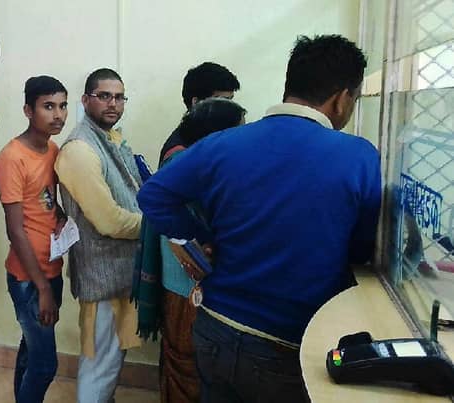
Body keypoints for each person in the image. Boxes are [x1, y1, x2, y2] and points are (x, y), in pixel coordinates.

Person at [138, 34, 381, 403]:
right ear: (342, 98)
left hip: (215, 327)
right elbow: (361, 251)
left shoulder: (222, 143)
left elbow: (153, 195)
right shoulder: (358, 156)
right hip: (288, 340)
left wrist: (200, 237)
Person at [133, 98, 246, 403]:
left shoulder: (208, 165)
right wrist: (194, 236)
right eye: (239, 130)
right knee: (186, 367)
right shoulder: (188, 165)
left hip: (191, 289)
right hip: (186, 289)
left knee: (191, 368)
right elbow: (154, 201)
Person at [55, 68, 142, 402]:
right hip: (102, 274)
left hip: (119, 272)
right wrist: (155, 226)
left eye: (119, 97)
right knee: (99, 363)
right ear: (85, 100)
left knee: (110, 359)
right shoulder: (79, 149)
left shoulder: (109, 138)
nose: (113, 104)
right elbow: (109, 221)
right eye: (104, 96)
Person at [0, 75, 69, 403]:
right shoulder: (12, 158)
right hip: (29, 279)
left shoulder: (52, 149)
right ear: (28, 110)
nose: (58, 115)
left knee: (31, 350)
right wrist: (42, 289)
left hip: (52, 268)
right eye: (48, 107)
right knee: (45, 364)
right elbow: (15, 229)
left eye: (62, 106)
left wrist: (62, 218)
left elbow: (46, 202)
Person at [158, 62, 241, 165]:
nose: (230, 108)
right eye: (222, 101)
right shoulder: (178, 155)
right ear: (196, 103)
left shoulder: (219, 136)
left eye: (230, 100)